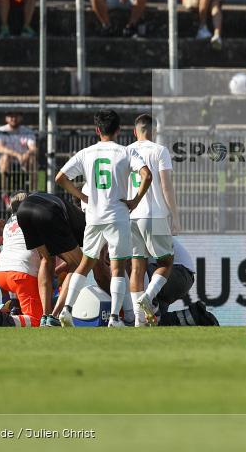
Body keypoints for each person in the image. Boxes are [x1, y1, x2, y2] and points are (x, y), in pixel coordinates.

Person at [55, 109, 152, 328]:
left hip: (94, 216)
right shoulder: (126, 152)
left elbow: (60, 177)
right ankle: (116, 319)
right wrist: (136, 200)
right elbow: (147, 175)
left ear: (97, 130)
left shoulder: (86, 153)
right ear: (118, 130)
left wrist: (81, 196)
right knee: (117, 267)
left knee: (85, 264)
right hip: (117, 215)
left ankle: (67, 310)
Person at [126, 114, 181, 327]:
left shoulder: (126, 151)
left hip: (131, 216)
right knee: (166, 262)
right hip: (155, 215)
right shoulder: (160, 151)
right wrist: (175, 216)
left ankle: (140, 321)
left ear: (135, 131)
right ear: (154, 131)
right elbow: (166, 186)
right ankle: (148, 297)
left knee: (137, 267)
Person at [10, 191, 92, 326]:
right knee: (79, 264)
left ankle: (45, 315)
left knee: (47, 259)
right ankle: (55, 315)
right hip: (48, 212)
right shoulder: (84, 225)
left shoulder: (73, 214)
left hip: (23, 211)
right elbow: (82, 260)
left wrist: (57, 272)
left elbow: (60, 254)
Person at [0, 212, 41, 327]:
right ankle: (2, 319)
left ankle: (9, 312)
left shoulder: (8, 223)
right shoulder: (36, 219)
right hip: (21, 274)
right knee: (36, 319)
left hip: (0, 273)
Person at [0, 111, 36, 191]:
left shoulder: (27, 131)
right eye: (11, 116)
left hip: (23, 161)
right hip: (7, 161)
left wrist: (26, 154)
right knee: (5, 158)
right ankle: (4, 192)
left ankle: (33, 192)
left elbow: (33, 148)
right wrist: (17, 155)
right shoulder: (1, 130)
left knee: (32, 160)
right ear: (6, 118)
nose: (14, 119)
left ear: (21, 118)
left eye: (16, 116)